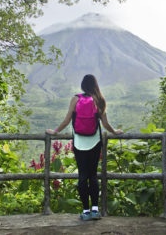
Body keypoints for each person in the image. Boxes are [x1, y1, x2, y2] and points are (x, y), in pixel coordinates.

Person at [46, 74, 123, 221]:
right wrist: (115, 132)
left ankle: (86, 212)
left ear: (82, 85)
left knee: (82, 176)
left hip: (79, 142)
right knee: (93, 176)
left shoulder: (76, 99)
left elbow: (67, 119)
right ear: (95, 85)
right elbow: (105, 124)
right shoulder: (99, 100)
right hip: (94, 142)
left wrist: (55, 132)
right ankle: (95, 210)